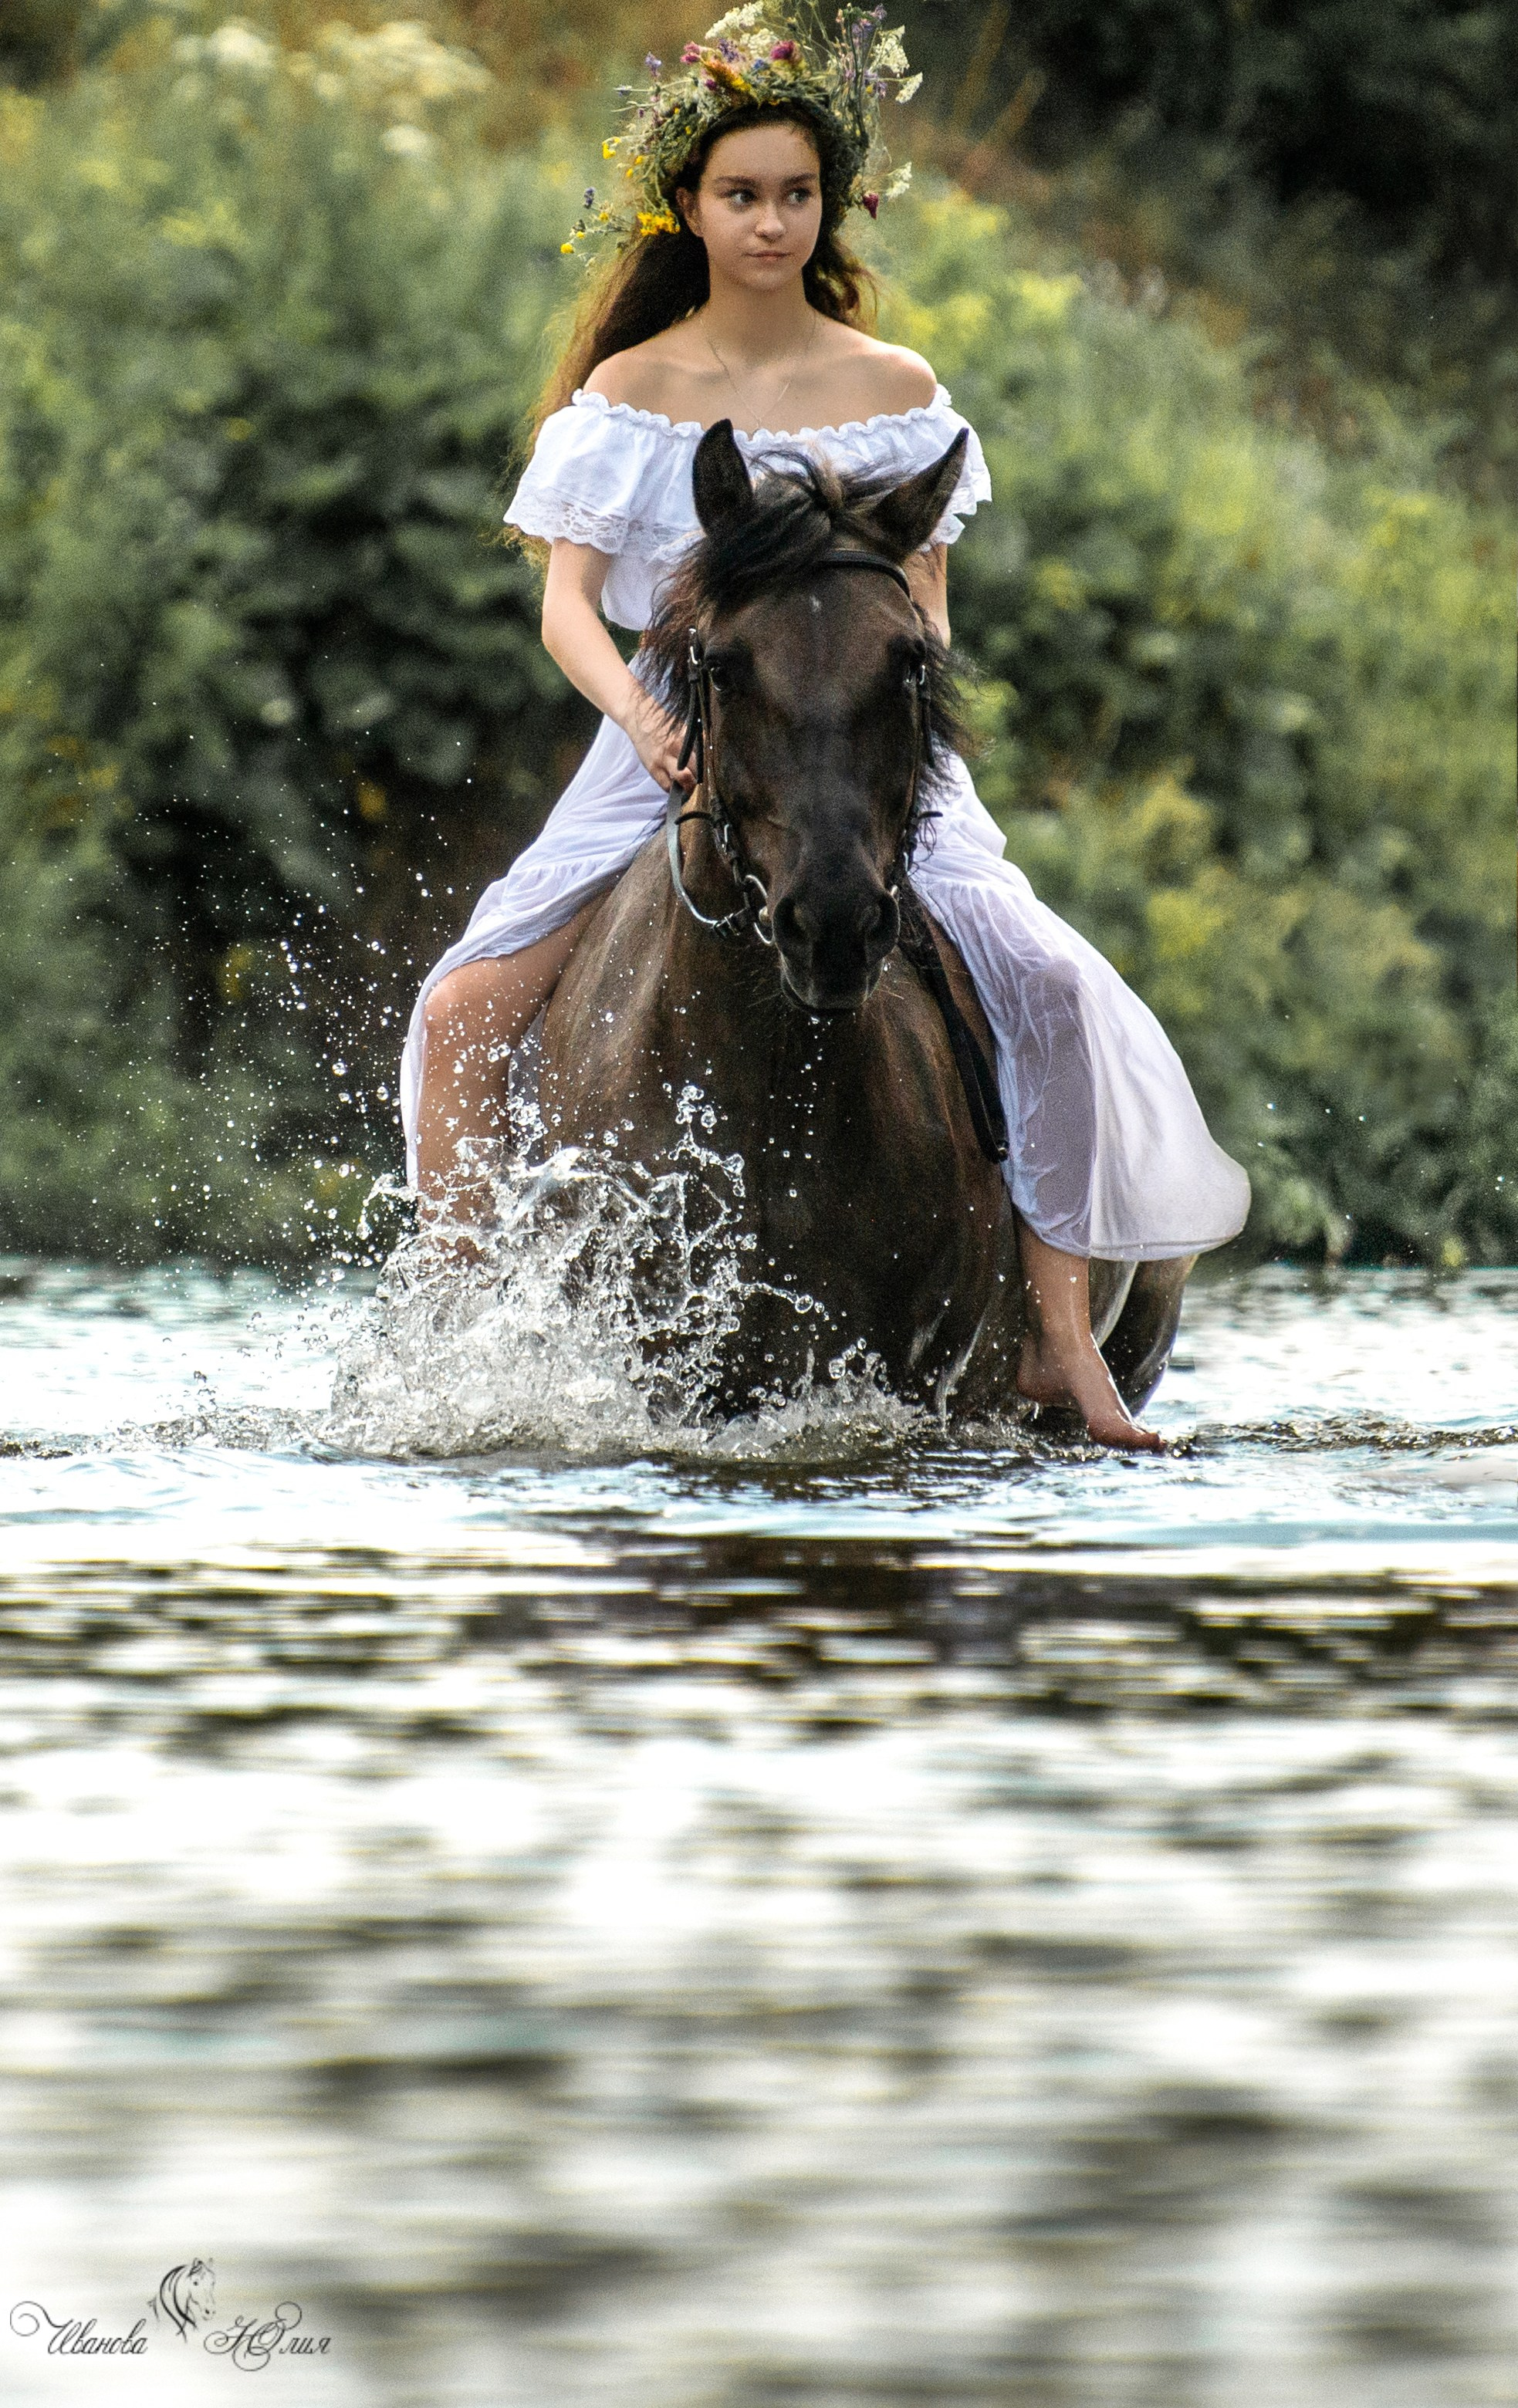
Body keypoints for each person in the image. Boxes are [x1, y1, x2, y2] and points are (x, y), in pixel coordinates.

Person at [400, 8, 1250, 1450]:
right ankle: (468, 1338)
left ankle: (1060, 1340)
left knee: (1051, 980)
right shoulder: (629, 392)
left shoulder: (897, 391)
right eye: (742, 194)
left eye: (796, 194)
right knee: (461, 1010)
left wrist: (885, 728)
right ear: (689, 204)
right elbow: (567, 610)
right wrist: (647, 721)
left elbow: (927, 611)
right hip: (670, 732)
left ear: (829, 203)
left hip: (868, 735)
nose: (770, 222)